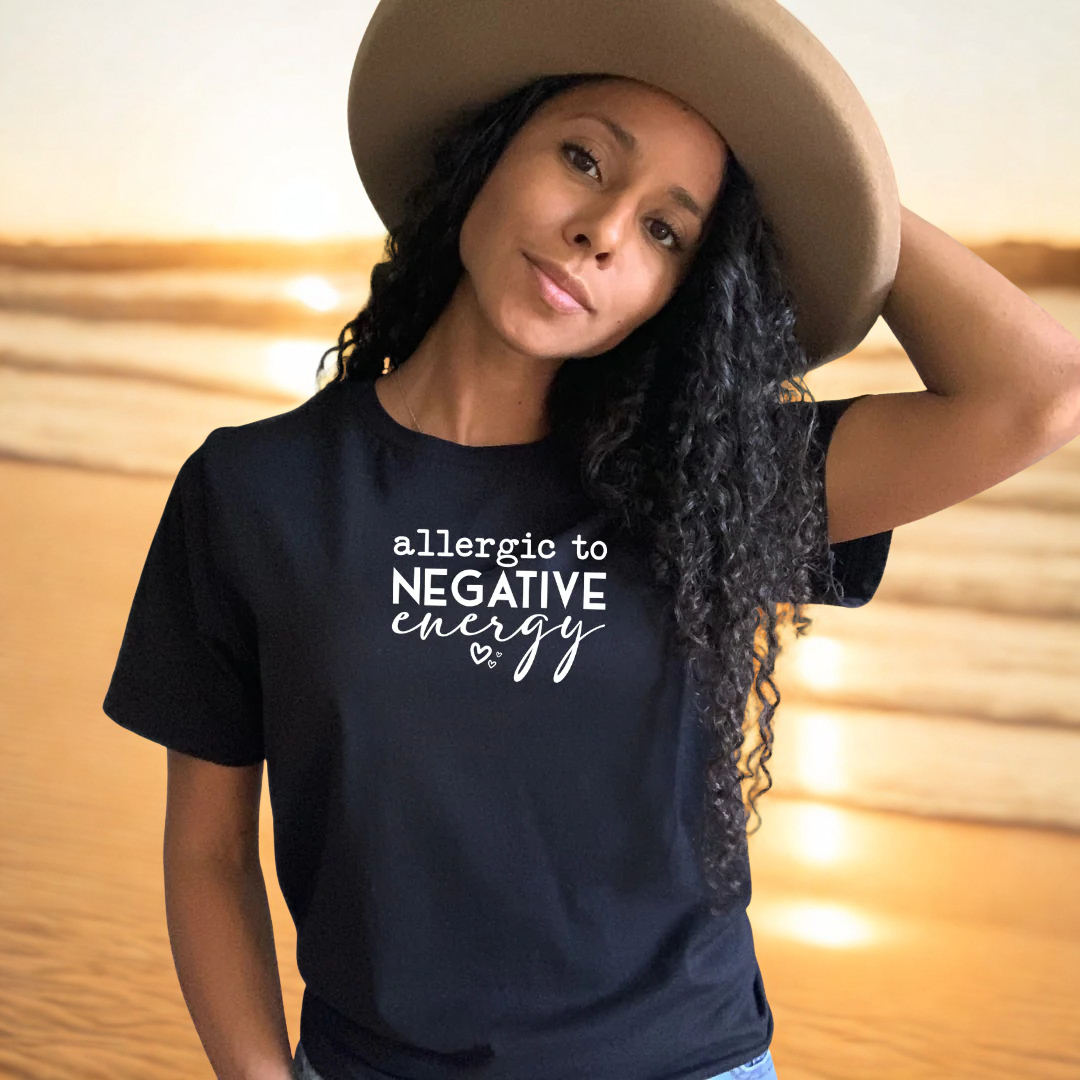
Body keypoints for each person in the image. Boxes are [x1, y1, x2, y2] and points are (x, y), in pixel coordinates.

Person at [101, 2, 1080, 1079]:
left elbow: (1037, 394)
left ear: (679, 290)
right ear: (484, 154)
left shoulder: (709, 483)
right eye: (583, 160)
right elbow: (206, 852)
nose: (605, 230)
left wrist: (820, 167)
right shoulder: (254, 491)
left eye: (667, 231)